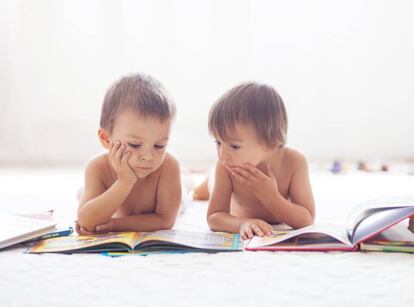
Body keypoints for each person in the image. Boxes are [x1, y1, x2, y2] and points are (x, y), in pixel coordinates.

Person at [196, 81, 315, 240]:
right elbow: (214, 217)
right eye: (218, 142)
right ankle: (204, 180)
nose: (222, 155)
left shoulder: (294, 163)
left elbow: (307, 219)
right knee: (199, 192)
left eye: (235, 146)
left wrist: (271, 197)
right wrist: (243, 223)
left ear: (271, 143)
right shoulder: (225, 166)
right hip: (218, 180)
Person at [76, 73, 181, 235]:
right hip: (97, 189)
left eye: (159, 145)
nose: (148, 156)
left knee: (186, 192)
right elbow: (86, 222)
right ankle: (85, 192)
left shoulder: (168, 166)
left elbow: (166, 220)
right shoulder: (98, 167)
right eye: (135, 145)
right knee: (85, 195)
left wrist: (113, 225)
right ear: (106, 139)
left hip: (177, 195)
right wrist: (124, 182)